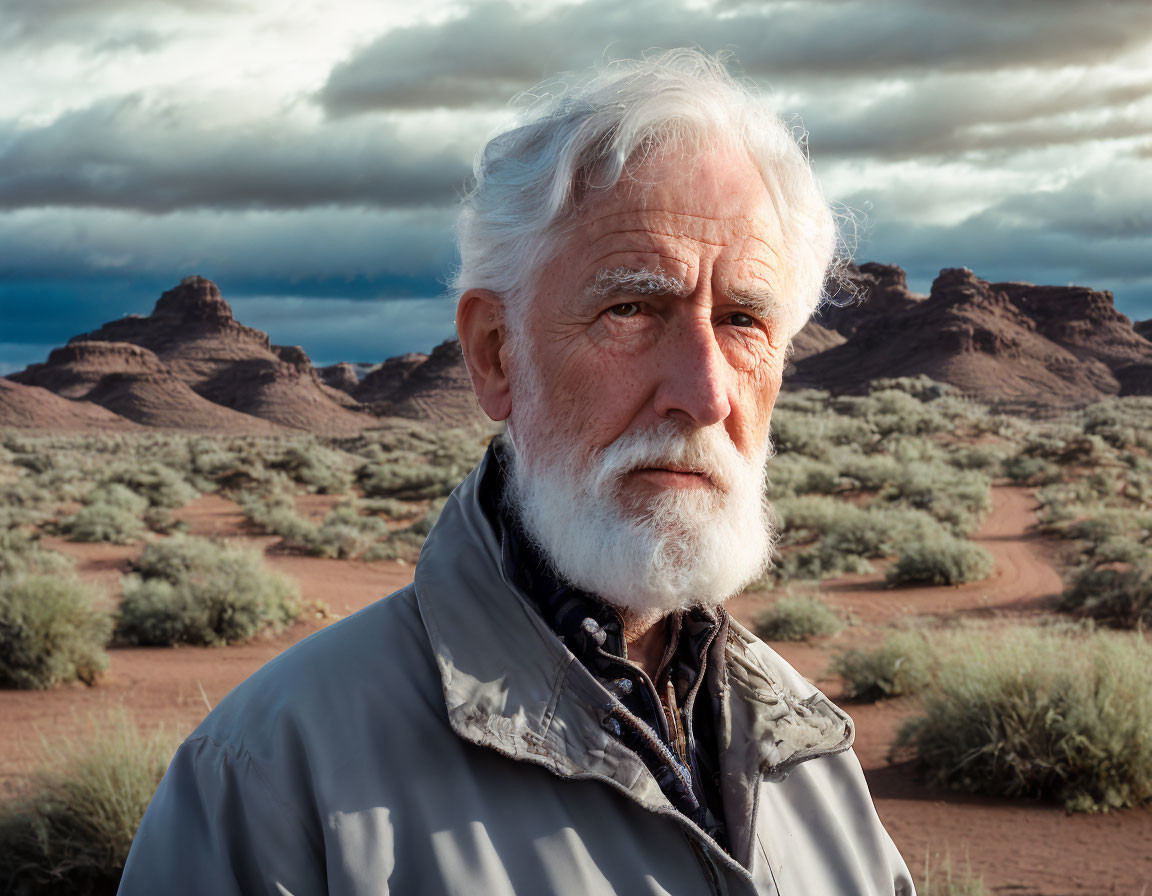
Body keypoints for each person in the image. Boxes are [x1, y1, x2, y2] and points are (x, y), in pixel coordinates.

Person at [119, 50, 915, 895]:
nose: (704, 393)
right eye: (633, 309)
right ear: (496, 354)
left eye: (745, 320)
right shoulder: (277, 779)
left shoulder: (810, 758)